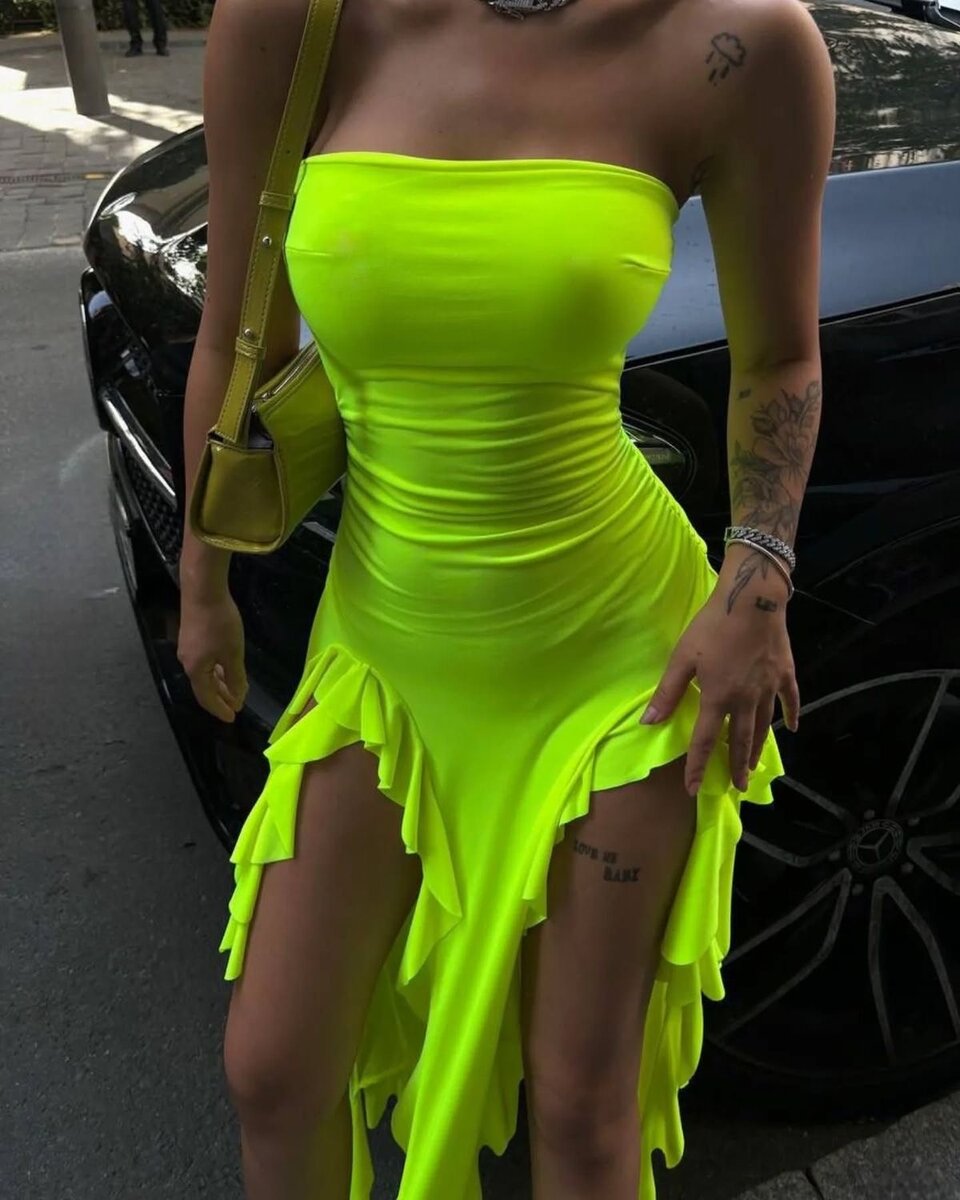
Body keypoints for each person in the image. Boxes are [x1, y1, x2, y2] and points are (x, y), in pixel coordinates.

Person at [176, 0, 835, 1197]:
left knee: (581, 1110)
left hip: (619, 671)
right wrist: (201, 577)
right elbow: (233, 334)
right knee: (273, 1069)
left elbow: (780, 358)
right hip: (381, 653)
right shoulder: (291, 17)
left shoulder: (738, 42)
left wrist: (758, 584)